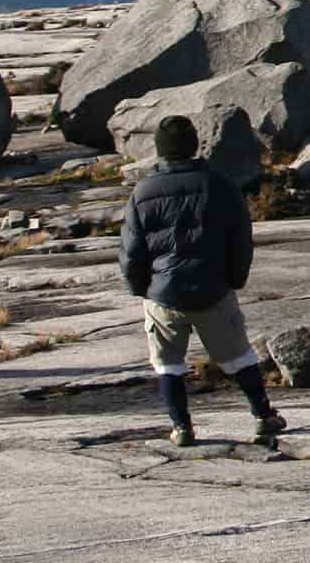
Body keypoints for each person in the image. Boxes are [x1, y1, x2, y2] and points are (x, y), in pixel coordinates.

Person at [118, 116, 284, 448]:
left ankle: (182, 427)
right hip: (214, 289)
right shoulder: (220, 185)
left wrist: (140, 289)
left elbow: (132, 250)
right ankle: (263, 416)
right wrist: (234, 280)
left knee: (168, 364)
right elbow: (240, 240)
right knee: (239, 357)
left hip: (162, 293)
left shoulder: (143, 191)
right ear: (194, 145)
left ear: (161, 150)